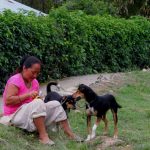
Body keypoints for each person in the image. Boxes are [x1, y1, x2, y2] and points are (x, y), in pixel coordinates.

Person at [0, 55, 82, 145]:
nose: (35, 76)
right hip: (14, 115)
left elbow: (35, 101)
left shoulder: (35, 82)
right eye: (33, 72)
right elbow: (8, 100)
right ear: (24, 68)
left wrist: (40, 99)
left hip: (29, 113)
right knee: (38, 103)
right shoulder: (15, 80)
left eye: (37, 73)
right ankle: (43, 136)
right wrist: (28, 95)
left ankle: (70, 134)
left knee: (56, 104)